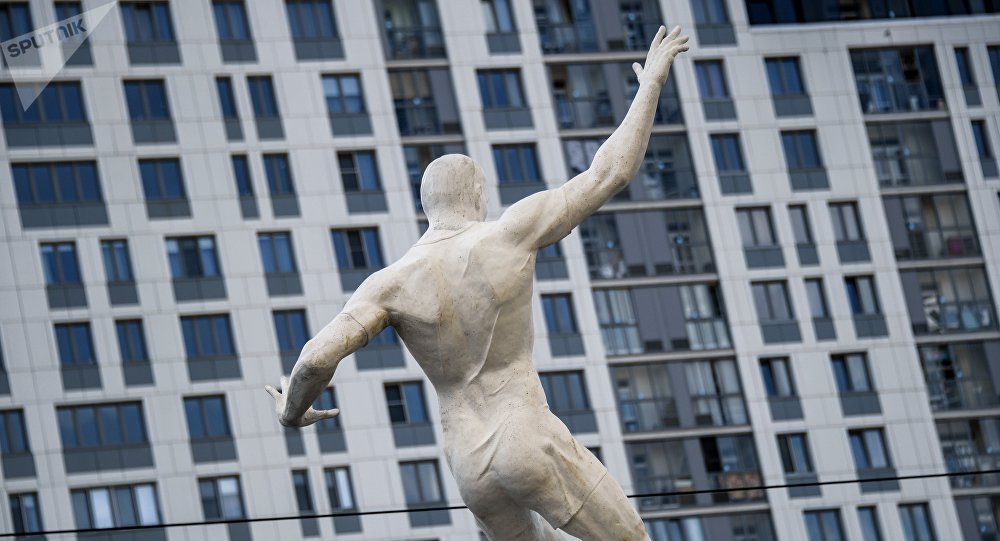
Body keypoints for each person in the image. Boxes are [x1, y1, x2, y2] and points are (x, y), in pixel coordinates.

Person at [266, 24, 689, 540]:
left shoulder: (388, 284)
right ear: (478, 192)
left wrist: (291, 412)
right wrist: (650, 87)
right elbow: (609, 173)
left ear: (428, 205)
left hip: (470, 468)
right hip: (525, 435)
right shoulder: (506, 234)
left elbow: (314, 358)